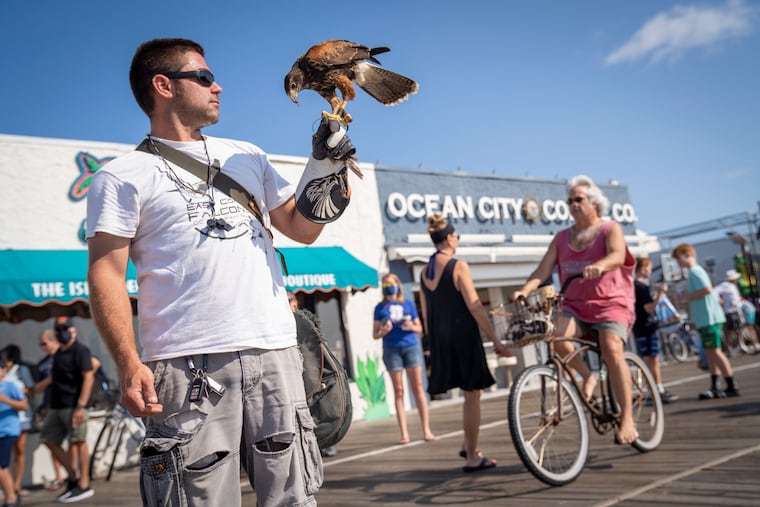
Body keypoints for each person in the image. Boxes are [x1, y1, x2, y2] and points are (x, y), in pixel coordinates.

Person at [86, 38, 356, 507]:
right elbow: (106, 275)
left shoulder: (246, 155)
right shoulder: (122, 175)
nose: (220, 87)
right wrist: (129, 363)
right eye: (205, 78)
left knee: (293, 499)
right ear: (163, 85)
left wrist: (327, 164)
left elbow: (302, 228)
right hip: (187, 366)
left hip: (275, 353)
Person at [513, 175, 639, 445]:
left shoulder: (609, 229)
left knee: (611, 347)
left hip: (611, 302)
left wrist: (600, 266)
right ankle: (588, 375)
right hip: (576, 305)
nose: (572, 204)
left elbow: (618, 255)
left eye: (578, 199)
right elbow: (543, 270)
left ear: (594, 202)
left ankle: (627, 417)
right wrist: (524, 290)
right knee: (554, 335)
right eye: (569, 200)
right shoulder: (561, 238)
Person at [419, 214, 511, 473]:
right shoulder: (458, 265)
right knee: (472, 394)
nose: (458, 240)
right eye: (457, 236)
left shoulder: (424, 272)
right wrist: (495, 339)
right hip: (463, 333)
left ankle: (466, 443)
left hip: (440, 337)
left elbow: (426, 317)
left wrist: (436, 342)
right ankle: (472, 456)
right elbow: (474, 306)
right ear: (449, 238)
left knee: (473, 393)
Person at [36, 317, 95, 503]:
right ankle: (73, 478)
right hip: (56, 405)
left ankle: (84, 484)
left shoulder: (80, 351)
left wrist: (81, 405)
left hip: (74, 405)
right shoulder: (59, 353)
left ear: (72, 330)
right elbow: (53, 381)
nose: (61, 331)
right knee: (49, 440)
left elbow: (89, 377)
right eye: (58, 329)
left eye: (65, 328)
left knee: (78, 441)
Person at [373, 273, 436, 444]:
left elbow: (420, 329)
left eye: (391, 284)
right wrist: (383, 331)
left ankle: (426, 430)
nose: (389, 287)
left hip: (411, 346)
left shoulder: (407, 303)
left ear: (398, 285)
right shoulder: (380, 308)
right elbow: (375, 334)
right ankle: (404, 434)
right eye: (385, 285)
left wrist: (411, 326)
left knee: (418, 387)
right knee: (399, 390)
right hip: (391, 348)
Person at [671, 244, 740, 399]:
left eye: (678, 258)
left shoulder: (695, 271)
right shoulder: (694, 271)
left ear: (687, 254)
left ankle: (731, 384)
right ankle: (715, 386)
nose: (678, 263)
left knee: (715, 351)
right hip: (705, 318)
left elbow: (707, 289)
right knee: (710, 353)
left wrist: (687, 297)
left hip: (709, 318)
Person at [632, 258, 678, 403]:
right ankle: (657, 389)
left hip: (639, 327)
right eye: (648, 268)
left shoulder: (633, 286)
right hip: (646, 326)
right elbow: (649, 308)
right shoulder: (641, 287)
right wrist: (660, 294)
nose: (650, 271)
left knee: (648, 359)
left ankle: (654, 389)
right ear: (643, 269)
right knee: (652, 359)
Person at [0, 345, 34, 497]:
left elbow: (29, 390)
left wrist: (7, 399)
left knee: (18, 450)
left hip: (18, 421)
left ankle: (15, 488)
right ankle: (9, 490)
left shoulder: (19, 372)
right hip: (4, 425)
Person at [33, 330, 65, 491]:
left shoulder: (68, 356)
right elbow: (37, 389)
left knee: (74, 442)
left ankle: (75, 474)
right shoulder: (43, 364)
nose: (41, 347)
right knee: (52, 441)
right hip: (49, 406)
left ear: (54, 341)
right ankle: (59, 476)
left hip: (68, 404)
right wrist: (50, 378)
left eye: (44, 343)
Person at [715, 269, 759, 353]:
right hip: (730, 311)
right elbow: (714, 292)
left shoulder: (733, 286)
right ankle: (730, 348)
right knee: (730, 330)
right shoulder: (725, 285)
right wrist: (720, 301)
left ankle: (754, 344)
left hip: (738, 310)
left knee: (748, 326)